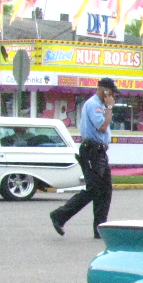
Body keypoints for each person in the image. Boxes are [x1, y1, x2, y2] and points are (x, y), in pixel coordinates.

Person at [50, 77, 115, 238]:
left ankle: (100, 228)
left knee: (105, 191)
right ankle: (60, 215)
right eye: (110, 91)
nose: (112, 95)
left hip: (99, 152)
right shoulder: (94, 105)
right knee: (93, 189)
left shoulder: (100, 105)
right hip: (92, 151)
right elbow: (102, 126)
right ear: (103, 90)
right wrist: (110, 107)